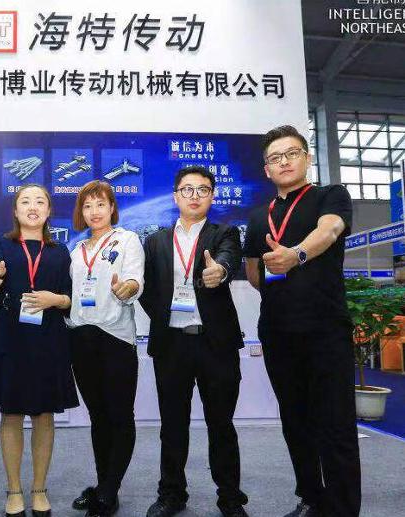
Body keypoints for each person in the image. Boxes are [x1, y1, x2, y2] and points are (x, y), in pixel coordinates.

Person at [243, 125, 360, 517]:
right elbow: (255, 273)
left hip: (325, 328)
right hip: (278, 332)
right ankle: (312, 498)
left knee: (336, 424)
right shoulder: (258, 217)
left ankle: (342, 509)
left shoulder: (330, 196)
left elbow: (330, 230)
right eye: (275, 158)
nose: (284, 162)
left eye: (292, 153)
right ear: (267, 170)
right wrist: (276, 272)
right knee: (295, 422)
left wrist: (296, 255)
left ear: (307, 158)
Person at [140, 166, 248, 517]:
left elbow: (229, 258)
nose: (195, 195)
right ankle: (171, 494)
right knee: (172, 425)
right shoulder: (155, 241)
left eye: (203, 189)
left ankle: (230, 498)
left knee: (221, 424)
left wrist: (220, 270)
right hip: (172, 346)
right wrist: (164, 315)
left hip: (215, 344)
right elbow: (147, 290)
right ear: (176, 196)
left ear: (212, 196)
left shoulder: (225, 232)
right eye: (187, 189)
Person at [0, 184, 79, 517]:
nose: (32, 207)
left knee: (44, 415)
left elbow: (70, 298)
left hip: (48, 339)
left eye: (39, 202)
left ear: (48, 211)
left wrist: (55, 299)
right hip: (10, 338)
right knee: (11, 414)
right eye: (25, 201)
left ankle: (39, 489)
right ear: (16, 210)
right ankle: (13, 490)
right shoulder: (1, 244)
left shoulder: (60, 251)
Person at [67, 180, 144, 517]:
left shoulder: (127, 240)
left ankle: (109, 492)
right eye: (87, 206)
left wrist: (128, 288)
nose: (94, 211)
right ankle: (103, 486)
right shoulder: (76, 251)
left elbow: (135, 279)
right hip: (81, 339)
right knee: (98, 417)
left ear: (112, 207)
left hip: (116, 338)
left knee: (120, 416)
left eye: (101, 204)